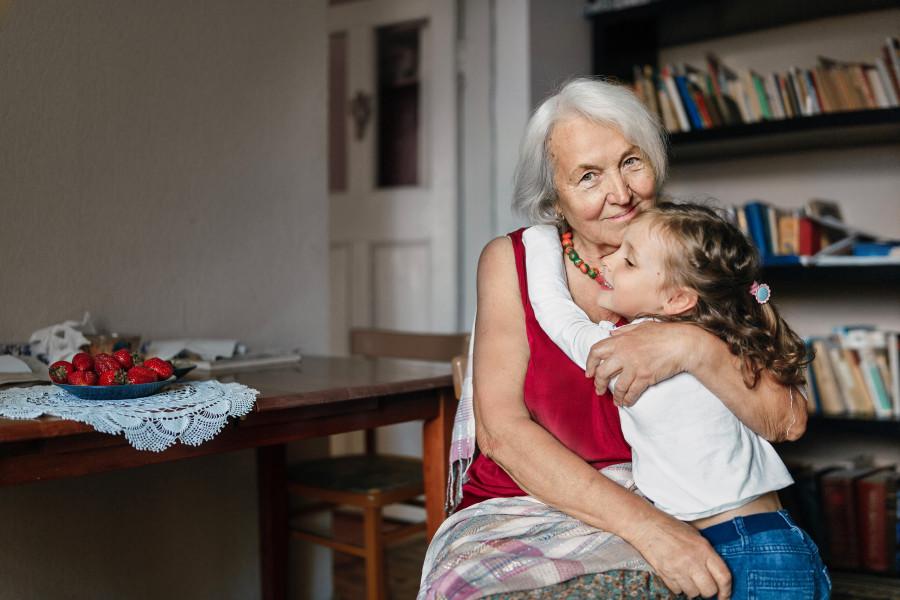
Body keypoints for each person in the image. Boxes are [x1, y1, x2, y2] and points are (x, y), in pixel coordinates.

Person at [418, 79, 807, 600]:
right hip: (532, 499)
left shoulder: (692, 253)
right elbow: (503, 433)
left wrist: (693, 348)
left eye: (631, 162)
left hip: (688, 504)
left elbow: (786, 418)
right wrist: (648, 528)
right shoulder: (514, 263)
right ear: (553, 195)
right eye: (588, 176)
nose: (620, 194)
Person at [523, 201, 830, 598]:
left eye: (629, 261)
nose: (610, 259)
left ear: (676, 300)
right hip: (773, 537)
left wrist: (540, 237)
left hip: (743, 551)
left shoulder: (624, 350)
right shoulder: (727, 338)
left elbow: (554, 312)